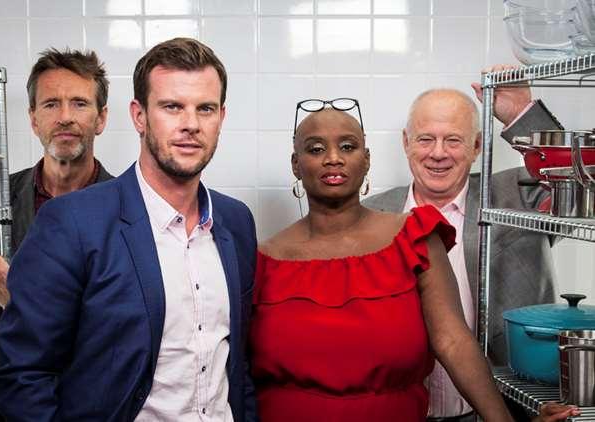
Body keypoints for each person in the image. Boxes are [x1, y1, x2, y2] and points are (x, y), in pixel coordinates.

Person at [248, 100, 579, 422]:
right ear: (296, 164)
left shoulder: (417, 232)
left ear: (366, 160)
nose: (333, 158)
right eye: (316, 149)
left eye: (347, 146)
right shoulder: (262, 258)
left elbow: (452, 340)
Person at [0, 37, 257, 421]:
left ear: (222, 117)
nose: (191, 124)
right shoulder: (72, 222)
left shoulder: (236, 222)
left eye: (206, 109)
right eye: (171, 107)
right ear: (139, 116)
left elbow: (237, 363)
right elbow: (24, 375)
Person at [363, 78, 566, 420]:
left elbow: (583, 180)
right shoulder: (371, 216)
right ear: (406, 143)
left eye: (453, 140)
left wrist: (521, 115)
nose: (438, 153)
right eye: (426, 139)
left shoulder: (514, 196)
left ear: (475, 146)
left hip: (504, 408)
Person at [0, 48, 114, 422]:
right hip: (3, 392)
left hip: (91, 398)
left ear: (101, 118)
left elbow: (126, 329)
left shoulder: (127, 207)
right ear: (33, 118)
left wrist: (21, 301)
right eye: (51, 104)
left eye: (79, 103)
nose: (65, 118)